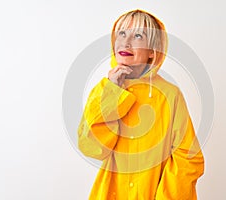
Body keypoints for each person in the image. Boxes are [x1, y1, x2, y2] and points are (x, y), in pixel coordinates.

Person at [77, 9, 204, 200]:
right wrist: (113, 92)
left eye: (137, 35)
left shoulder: (170, 95)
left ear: (153, 52)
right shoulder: (104, 90)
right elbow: (92, 147)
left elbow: (189, 157)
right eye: (121, 33)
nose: (125, 42)